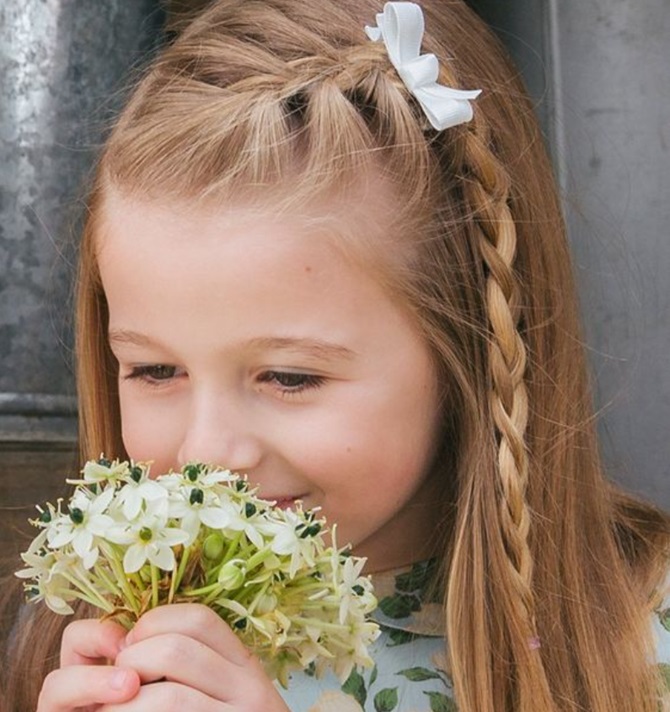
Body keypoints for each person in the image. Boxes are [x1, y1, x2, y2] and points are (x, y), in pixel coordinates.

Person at [1, 0, 669, 710]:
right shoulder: (65, 634)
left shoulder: (639, 630)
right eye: (155, 370)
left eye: (289, 376)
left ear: (468, 349)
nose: (207, 454)